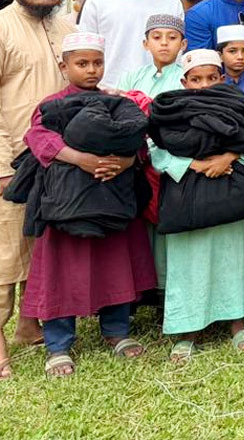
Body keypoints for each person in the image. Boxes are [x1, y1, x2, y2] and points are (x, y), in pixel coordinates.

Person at [21, 32, 155, 377]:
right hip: (66, 202)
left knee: (115, 263)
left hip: (113, 198)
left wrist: (124, 163)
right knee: (61, 271)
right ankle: (58, 344)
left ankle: (116, 331)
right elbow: (38, 138)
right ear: (64, 66)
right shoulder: (52, 105)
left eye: (97, 62)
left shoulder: (117, 102)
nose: (91, 70)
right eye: (82, 64)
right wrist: (80, 159)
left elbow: (139, 140)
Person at [152, 49, 244, 363]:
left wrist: (228, 157)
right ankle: (188, 330)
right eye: (196, 79)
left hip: (232, 189)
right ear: (184, 81)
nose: (204, 85)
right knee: (190, 261)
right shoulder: (169, 110)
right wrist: (194, 165)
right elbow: (155, 150)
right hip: (187, 193)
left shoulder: (237, 105)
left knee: (234, 256)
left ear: (222, 78)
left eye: (210, 78)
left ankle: (238, 322)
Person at [0, 0, 78, 379]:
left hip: (60, 162)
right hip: (13, 161)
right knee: (5, 256)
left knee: (42, 248)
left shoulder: (68, 26)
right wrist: (1, 165)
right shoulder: (2, 28)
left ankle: (29, 328)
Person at [115, 14, 186, 98]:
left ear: (183, 44)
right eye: (156, 37)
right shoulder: (130, 78)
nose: (164, 43)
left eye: (172, 37)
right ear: (146, 44)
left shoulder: (187, 79)